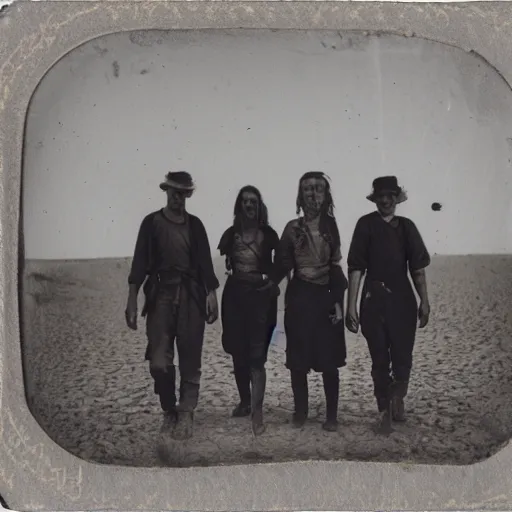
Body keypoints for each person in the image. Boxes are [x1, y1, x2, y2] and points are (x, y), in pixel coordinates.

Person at [125, 171, 219, 441]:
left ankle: (186, 411)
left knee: (190, 356)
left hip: (191, 295)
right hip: (160, 296)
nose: (178, 197)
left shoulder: (195, 225)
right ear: (166, 191)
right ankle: (168, 409)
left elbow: (205, 264)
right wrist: (132, 300)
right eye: (174, 191)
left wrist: (211, 295)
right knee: (159, 363)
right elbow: (139, 263)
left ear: (189, 194)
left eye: (183, 192)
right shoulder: (151, 222)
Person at [345, 176, 431, 433]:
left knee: (403, 355)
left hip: (402, 300)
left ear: (397, 198)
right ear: (375, 198)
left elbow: (417, 269)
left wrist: (424, 301)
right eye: (380, 196)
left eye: (390, 196)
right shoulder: (365, 225)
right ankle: (383, 409)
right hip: (373, 300)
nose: (385, 201)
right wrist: (351, 306)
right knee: (380, 357)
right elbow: (356, 268)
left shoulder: (407, 227)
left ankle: (398, 398)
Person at [269, 171, 348, 432]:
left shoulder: (330, 226)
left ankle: (332, 416)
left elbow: (335, 266)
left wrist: (338, 302)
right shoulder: (292, 228)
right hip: (300, 297)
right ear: (299, 196)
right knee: (298, 359)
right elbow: (280, 265)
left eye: (318, 189)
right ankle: (300, 411)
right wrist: (263, 286)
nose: (313, 194)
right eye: (307, 189)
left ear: (326, 196)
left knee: (330, 361)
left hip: (325, 297)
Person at [217, 185, 280, 436]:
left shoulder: (269, 235)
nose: (249, 206)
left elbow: (281, 264)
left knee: (257, 356)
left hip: (260, 296)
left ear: (260, 205)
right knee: (237, 352)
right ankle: (245, 401)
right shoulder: (230, 235)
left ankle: (257, 411)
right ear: (239, 205)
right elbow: (227, 263)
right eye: (245, 202)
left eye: (253, 201)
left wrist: (272, 283)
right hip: (234, 295)